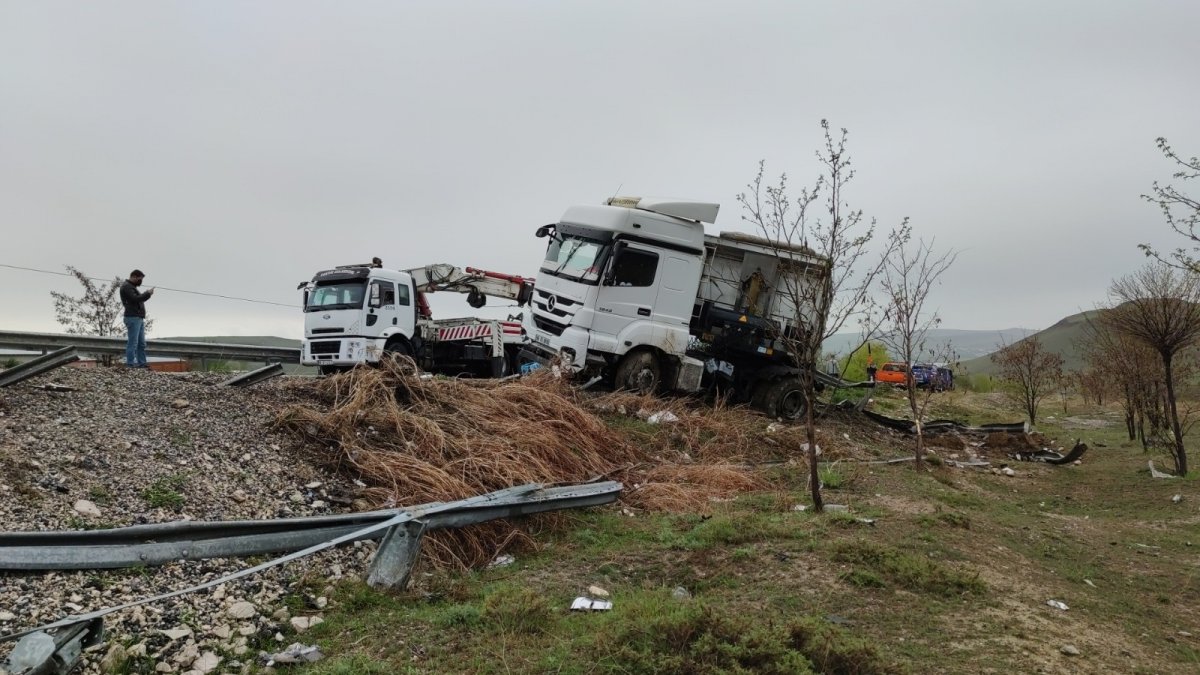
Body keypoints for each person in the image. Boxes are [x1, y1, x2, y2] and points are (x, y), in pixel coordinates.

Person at [120, 270, 154, 368]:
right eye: (140, 279)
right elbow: (135, 299)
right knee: (133, 343)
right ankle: (130, 365)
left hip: (138, 318)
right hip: (132, 317)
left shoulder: (131, 287)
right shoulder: (127, 287)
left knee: (141, 343)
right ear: (134, 277)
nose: (141, 281)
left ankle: (142, 364)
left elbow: (137, 298)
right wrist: (148, 293)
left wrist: (146, 294)